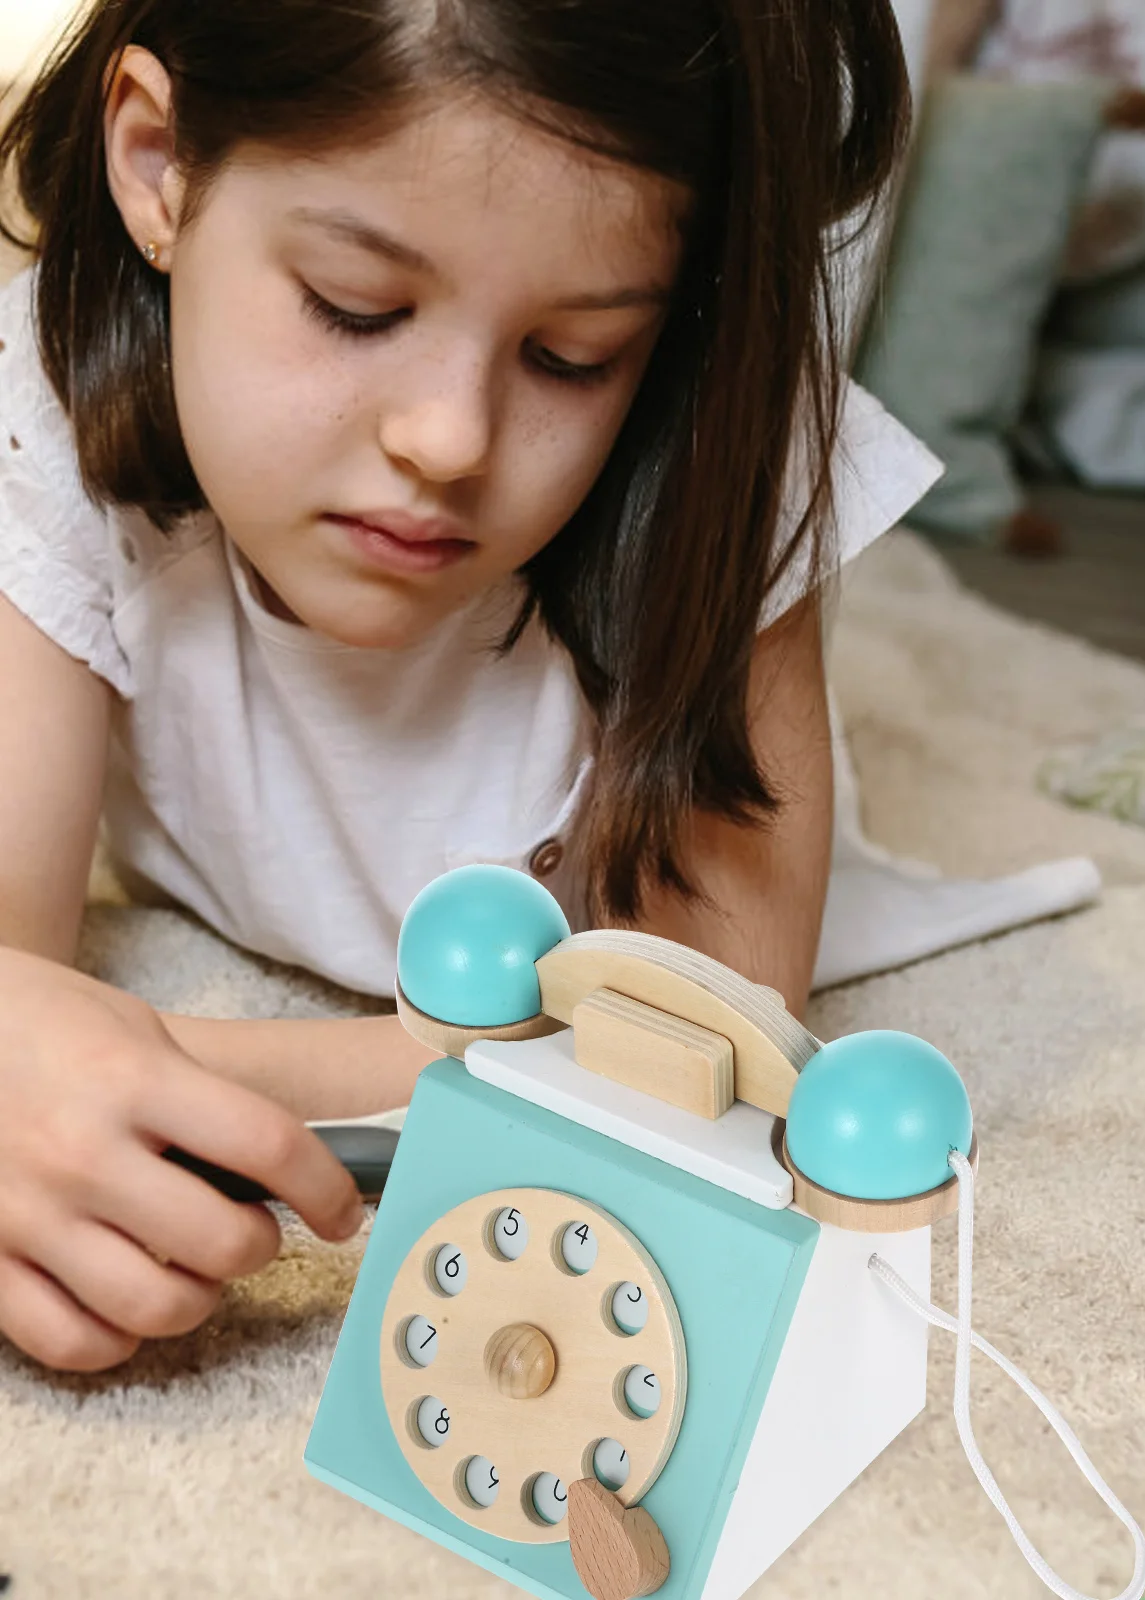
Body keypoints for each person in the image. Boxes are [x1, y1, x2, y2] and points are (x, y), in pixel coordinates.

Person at [0, 0, 938, 1372]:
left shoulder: (721, 442)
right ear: (156, 164)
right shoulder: (41, 402)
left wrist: (151, 1071)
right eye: (355, 306)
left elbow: (707, 1059)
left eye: (573, 358)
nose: (448, 438)